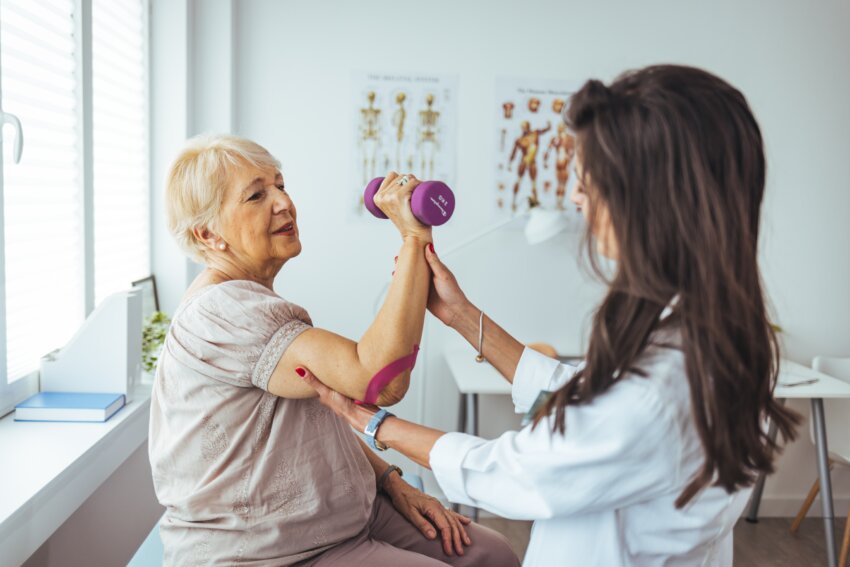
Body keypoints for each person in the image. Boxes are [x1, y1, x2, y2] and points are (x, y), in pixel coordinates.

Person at [297, 65, 801, 566]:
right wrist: (462, 315)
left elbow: (519, 472)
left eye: (589, 182)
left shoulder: (664, 383)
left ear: (649, 199)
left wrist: (369, 421)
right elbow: (581, 397)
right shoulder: (710, 332)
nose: (577, 198)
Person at [149, 134, 519, 566]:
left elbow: (325, 411)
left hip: (347, 512)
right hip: (272, 549)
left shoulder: (255, 300)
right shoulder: (223, 312)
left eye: (280, 186)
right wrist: (413, 239)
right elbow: (378, 379)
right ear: (208, 234)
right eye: (255, 195)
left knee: (492, 555)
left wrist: (392, 482)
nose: (284, 203)